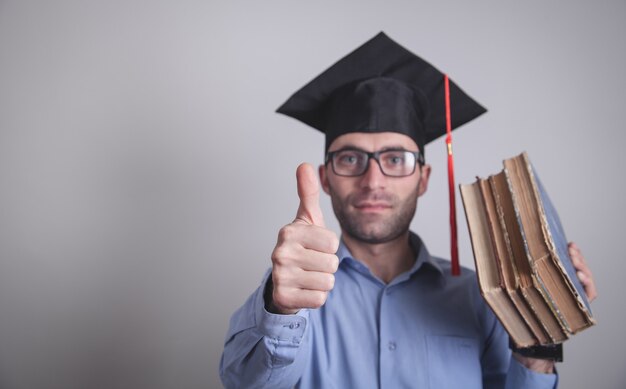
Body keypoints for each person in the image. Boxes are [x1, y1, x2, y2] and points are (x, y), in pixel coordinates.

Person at [219, 32, 597, 389]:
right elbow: (245, 382)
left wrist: (540, 331)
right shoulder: (294, 292)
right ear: (326, 178)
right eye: (350, 158)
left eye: (395, 159)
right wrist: (280, 309)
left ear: (423, 177)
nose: (373, 180)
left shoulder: (484, 298)